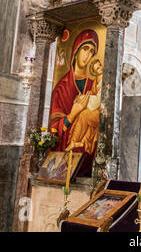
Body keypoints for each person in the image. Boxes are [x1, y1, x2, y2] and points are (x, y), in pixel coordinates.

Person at [49, 29, 100, 176]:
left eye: (92, 51)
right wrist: (72, 114)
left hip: (87, 159)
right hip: (64, 160)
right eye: (85, 49)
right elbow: (53, 128)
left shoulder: (93, 85)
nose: (88, 55)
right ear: (76, 50)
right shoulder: (62, 87)